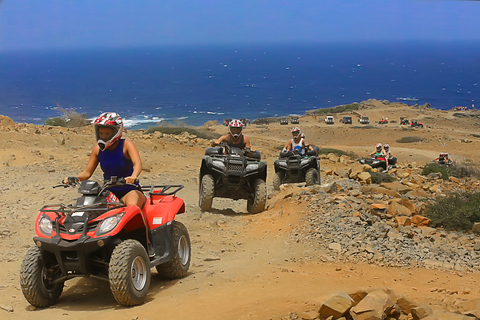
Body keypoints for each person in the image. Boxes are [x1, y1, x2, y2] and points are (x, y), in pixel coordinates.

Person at [64, 112, 145, 208]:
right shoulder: (97, 149)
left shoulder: (126, 145)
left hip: (130, 189)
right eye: (101, 133)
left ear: (116, 132)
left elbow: (137, 163)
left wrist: (133, 177)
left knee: (132, 206)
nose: (103, 136)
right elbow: (87, 172)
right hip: (108, 192)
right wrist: (74, 178)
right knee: (89, 209)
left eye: (107, 134)